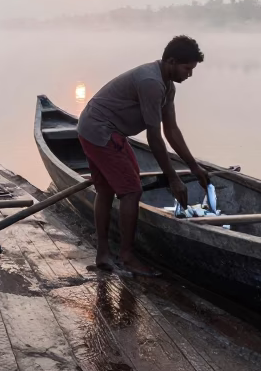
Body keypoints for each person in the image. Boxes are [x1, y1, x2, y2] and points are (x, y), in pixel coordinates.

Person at [76, 35, 209, 276]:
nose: (190, 74)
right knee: (131, 190)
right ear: (170, 61)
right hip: (100, 130)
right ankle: (126, 256)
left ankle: (103, 254)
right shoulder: (151, 82)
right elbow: (154, 138)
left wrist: (194, 167)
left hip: (98, 128)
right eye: (187, 68)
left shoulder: (167, 86)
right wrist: (172, 178)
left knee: (107, 189)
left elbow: (172, 131)